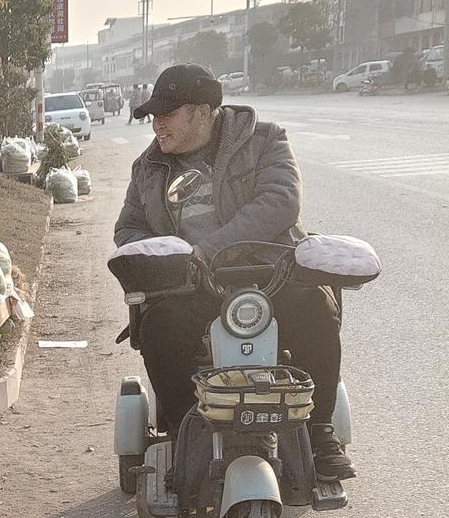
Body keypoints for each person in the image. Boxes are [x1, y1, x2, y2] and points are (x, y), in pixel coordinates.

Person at [113, 64, 352, 480]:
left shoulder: (265, 140)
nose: (157, 125)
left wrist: (207, 250)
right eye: (154, 116)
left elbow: (280, 201)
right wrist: (169, 254)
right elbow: (127, 229)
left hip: (270, 275)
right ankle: (185, 433)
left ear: (203, 112)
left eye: (167, 114)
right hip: (190, 285)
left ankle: (319, 432)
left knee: (316, 306)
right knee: (158, 326)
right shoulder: (147, 167)